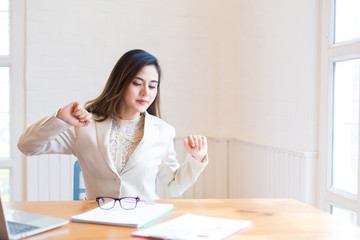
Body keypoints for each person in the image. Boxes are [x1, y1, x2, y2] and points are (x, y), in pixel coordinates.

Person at [18, 49, 208, 200]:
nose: (146, 93)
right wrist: (60, 119)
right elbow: (27, 146)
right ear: (120, 82)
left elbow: (174, 186)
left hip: (143, 224)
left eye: (152, 86)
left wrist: (196, 159)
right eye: (137, 83)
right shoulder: (84, 126)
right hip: (95, 223)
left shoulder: (163, 132)